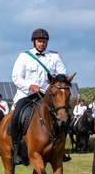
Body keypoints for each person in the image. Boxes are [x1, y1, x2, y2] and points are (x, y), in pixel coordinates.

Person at [9, 28, 68, 165]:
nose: (42, 44)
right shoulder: (24, 56)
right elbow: (16, 77)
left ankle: (61, 149)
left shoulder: (54, 57)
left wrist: (55, 86)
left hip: (47, 96)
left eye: (44, 41)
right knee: (16, 117)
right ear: (33, 42)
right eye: (40, 41)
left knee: (65, 118)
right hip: (27, 95)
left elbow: (62, 75)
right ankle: (17, 152)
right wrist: (29, 86)